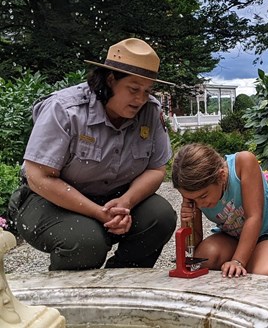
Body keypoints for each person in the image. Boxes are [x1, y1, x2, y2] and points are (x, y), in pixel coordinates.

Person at [8, 38, 177, 271]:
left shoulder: (151, 111)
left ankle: (120, 283)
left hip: (114, 198)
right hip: (47, 200)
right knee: (86, 241)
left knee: (161, 216)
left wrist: (126, 202)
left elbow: (156, 169)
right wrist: (100, 214)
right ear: (110, 80)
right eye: (133, 89)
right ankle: (67, 302)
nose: (140, 99)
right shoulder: (64, 109)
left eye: (147, 91)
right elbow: (39, 177)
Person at [171, 143, 268, 278]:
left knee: (264, 274)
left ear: (221, 176)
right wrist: (187, 221)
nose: (200, 204)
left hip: (267, 235)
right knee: (204, 258)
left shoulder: (243, 163)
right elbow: (193, 245)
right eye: (193, 200)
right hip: (231, 237)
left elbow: (254, 217)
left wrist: (237, 261)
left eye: (203, 196)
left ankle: (259, 259)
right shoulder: (193, 192)